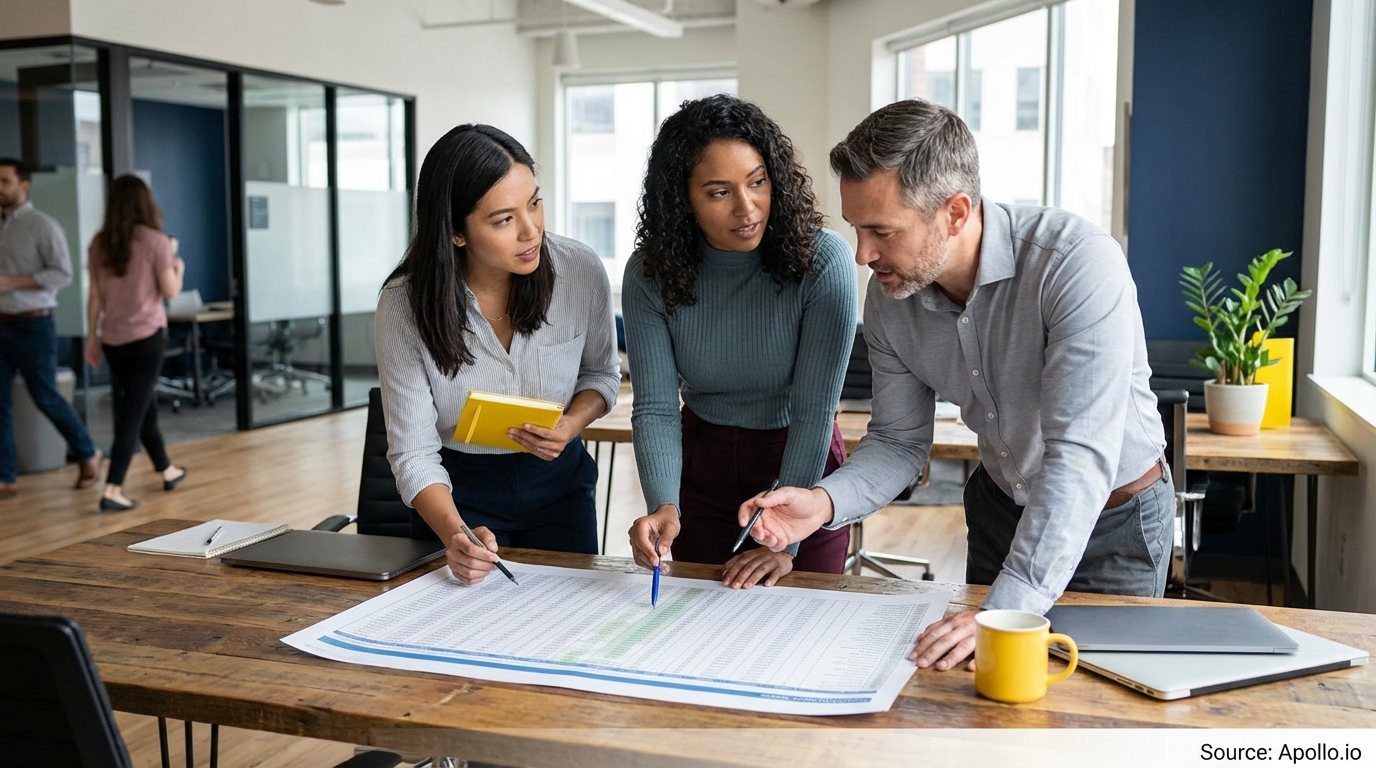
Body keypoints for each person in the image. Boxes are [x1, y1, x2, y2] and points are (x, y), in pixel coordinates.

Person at [739, 99, 1171, 669]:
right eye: (857, 230)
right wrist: (822, 503)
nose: (864, 256)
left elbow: (1077, 458)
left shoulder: (1076, 264)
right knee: (982, 697)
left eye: (882, 232)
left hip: (1112, 522)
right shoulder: (892, 296)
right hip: (999, 509)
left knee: (1101, 709)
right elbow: (897, 441)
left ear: (956, 212)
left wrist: (1010, 605)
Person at [623, 95, 857, 590]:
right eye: (718, 192)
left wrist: (787, 543)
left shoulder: (823, 261)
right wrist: (664, 504)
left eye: (757, 182)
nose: (747, 208)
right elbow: (657, 408)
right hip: (701, 470)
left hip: (800, 463)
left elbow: (815, 409)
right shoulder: (650, 274)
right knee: (704, 628)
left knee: (801, 637)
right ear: (681, 198)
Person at [375, 124, 620, 585]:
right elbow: (412, 452)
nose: (532, 231)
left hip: (560, 485)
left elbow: (601, 375)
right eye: (504, 219)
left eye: (535, 202)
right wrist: (456, 535)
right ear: (456, 233)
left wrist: (569, 425)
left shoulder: (579, 270)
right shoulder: (404, 304)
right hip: (457, 493)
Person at [84, 175, 189, 511]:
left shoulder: (100, 244)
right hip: (146, 339)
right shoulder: (156, 241)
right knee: (133, 412)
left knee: (142, 407)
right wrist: (177, 265)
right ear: (146, 203)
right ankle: (113, 487)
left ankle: (166, 469)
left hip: (113, 338)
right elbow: (170, 292)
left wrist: (91, 337)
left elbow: (95, 297)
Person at [0, 158, 102, 498]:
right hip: (1, 323)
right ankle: (5, 476)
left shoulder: (42, 226)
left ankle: (87, 452)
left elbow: (63, 274)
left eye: (4, 181)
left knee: (45, 396)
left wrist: (12, 282)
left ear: (23, 186)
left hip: (34, 324)